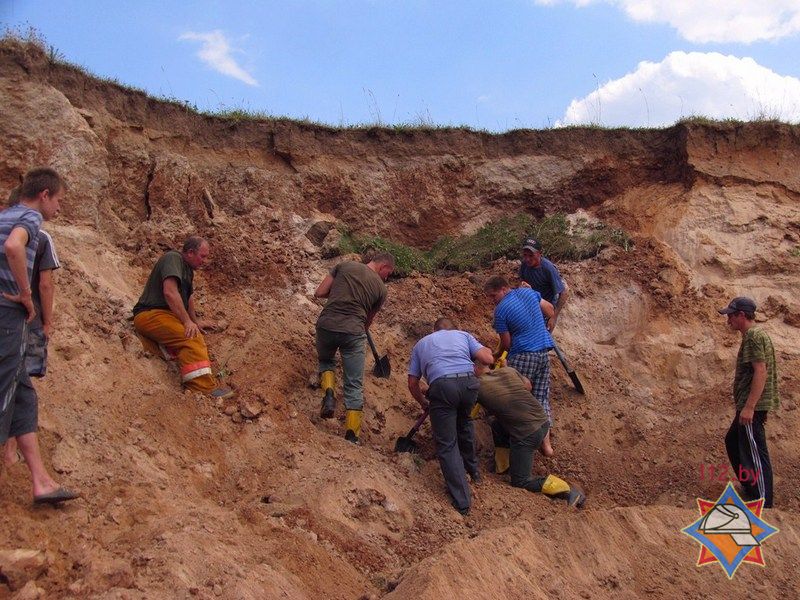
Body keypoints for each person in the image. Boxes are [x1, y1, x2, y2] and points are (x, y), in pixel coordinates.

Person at [0, 167, 78, 505]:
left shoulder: (5, 215)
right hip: (8, 317)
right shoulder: (30, 219)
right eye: (58, 200)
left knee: (23, 394)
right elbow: (13, 248)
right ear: (44, 195)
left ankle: (41, 482)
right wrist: (24, 294)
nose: (59, 208)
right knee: (5, 390)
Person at [407, 317, 494, 515]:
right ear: (454, 328)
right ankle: (474, 472)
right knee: (464, 425)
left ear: (434, 329)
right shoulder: (464, 335)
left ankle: (462, 502)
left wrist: (423, 402)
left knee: (447, 444)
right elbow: (488, 359)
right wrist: (488, 350)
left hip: (442, 387)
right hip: (469, 385)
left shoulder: (422, 343)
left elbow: (412, 383)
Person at [132, 237, 233, 399]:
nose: (205, 261)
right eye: (203, 256)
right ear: (191, 253)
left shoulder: (187, 270)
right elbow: (170, 292)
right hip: (150, 314)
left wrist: (194, 322)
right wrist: (187, 323)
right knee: (191, 338)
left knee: (193, 333)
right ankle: (202, 388)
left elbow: (188, 299)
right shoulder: (173, 258)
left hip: (164, 315)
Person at [474, 362, 585, 507]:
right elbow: (528, 385)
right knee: (497, 424)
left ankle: (568, 491)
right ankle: (503, 467)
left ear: (474, 368)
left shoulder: (476, 386)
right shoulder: (508, 371)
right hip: (542, 421)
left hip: (527, 433)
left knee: (521, 481)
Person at [314, 252, 394, 443]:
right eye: (388, 273)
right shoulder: (381, 289)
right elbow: (367, 322)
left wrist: (338, 296)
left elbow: (319, 292)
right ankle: (352, 435)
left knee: (326, 360)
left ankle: (330, 394)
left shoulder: (344, 266)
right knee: (354, 383)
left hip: (326, 324)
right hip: (353, 333)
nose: (387, 277)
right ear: (383, 267)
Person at [3, 225, 60, 467]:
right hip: (30, 319)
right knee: (23, 385)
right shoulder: (42, 237)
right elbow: (45, 284)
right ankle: (10, 449)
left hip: (5, 319)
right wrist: (47, 322)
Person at [484, 275, 556, 456]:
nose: (492, 301)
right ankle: (547, 446)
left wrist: (495, 357)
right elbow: (550, 310)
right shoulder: (528, 292)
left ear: (503, 289)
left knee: (515, 399)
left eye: (493, 296)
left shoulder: (501, 311)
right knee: (541, 398)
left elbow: (507, 344)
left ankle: (519, 446)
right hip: (543, 353)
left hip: (523, 355)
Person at [718, 297, 779, 508]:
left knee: (755, 451)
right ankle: (751, 489)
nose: (728, 321)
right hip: (748, 405)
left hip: (752, 406)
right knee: (733, 441)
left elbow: (760, 371)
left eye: (731, 316)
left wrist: (750, 407)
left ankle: (763, 503)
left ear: (742, 315)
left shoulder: (753, 336)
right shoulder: (754, 335)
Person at [518, 237, 569, 332]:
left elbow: (564, 292)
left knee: (541, 338)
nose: (527, 259)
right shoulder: (524, 265)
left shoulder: (548, 269)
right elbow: (522, 283)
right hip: (532, 307)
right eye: (525, 255)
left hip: (546, 309)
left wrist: (553, 317)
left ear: (539, 253)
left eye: (531, 255)